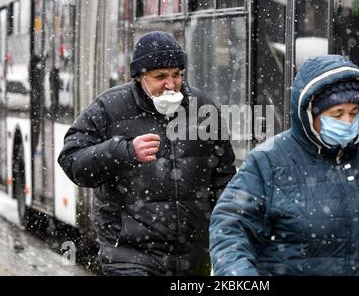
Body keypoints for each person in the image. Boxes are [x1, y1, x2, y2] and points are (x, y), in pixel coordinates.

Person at [209, 55, 359, 276]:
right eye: (337, 113)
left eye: (354, 112)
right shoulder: (268, 162)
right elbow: (230, 231)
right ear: (310, 113)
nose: (348, 122)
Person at [58, 31, 236, 276]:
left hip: (192, 258)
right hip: (129, 256)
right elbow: (71, 160)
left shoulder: (203, 107)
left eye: (176, 75)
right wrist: (124, 151)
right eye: (160, 76)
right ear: (140, 76)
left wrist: (228, 230)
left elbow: (224, 176)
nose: (171, 84)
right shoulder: (109, 107)